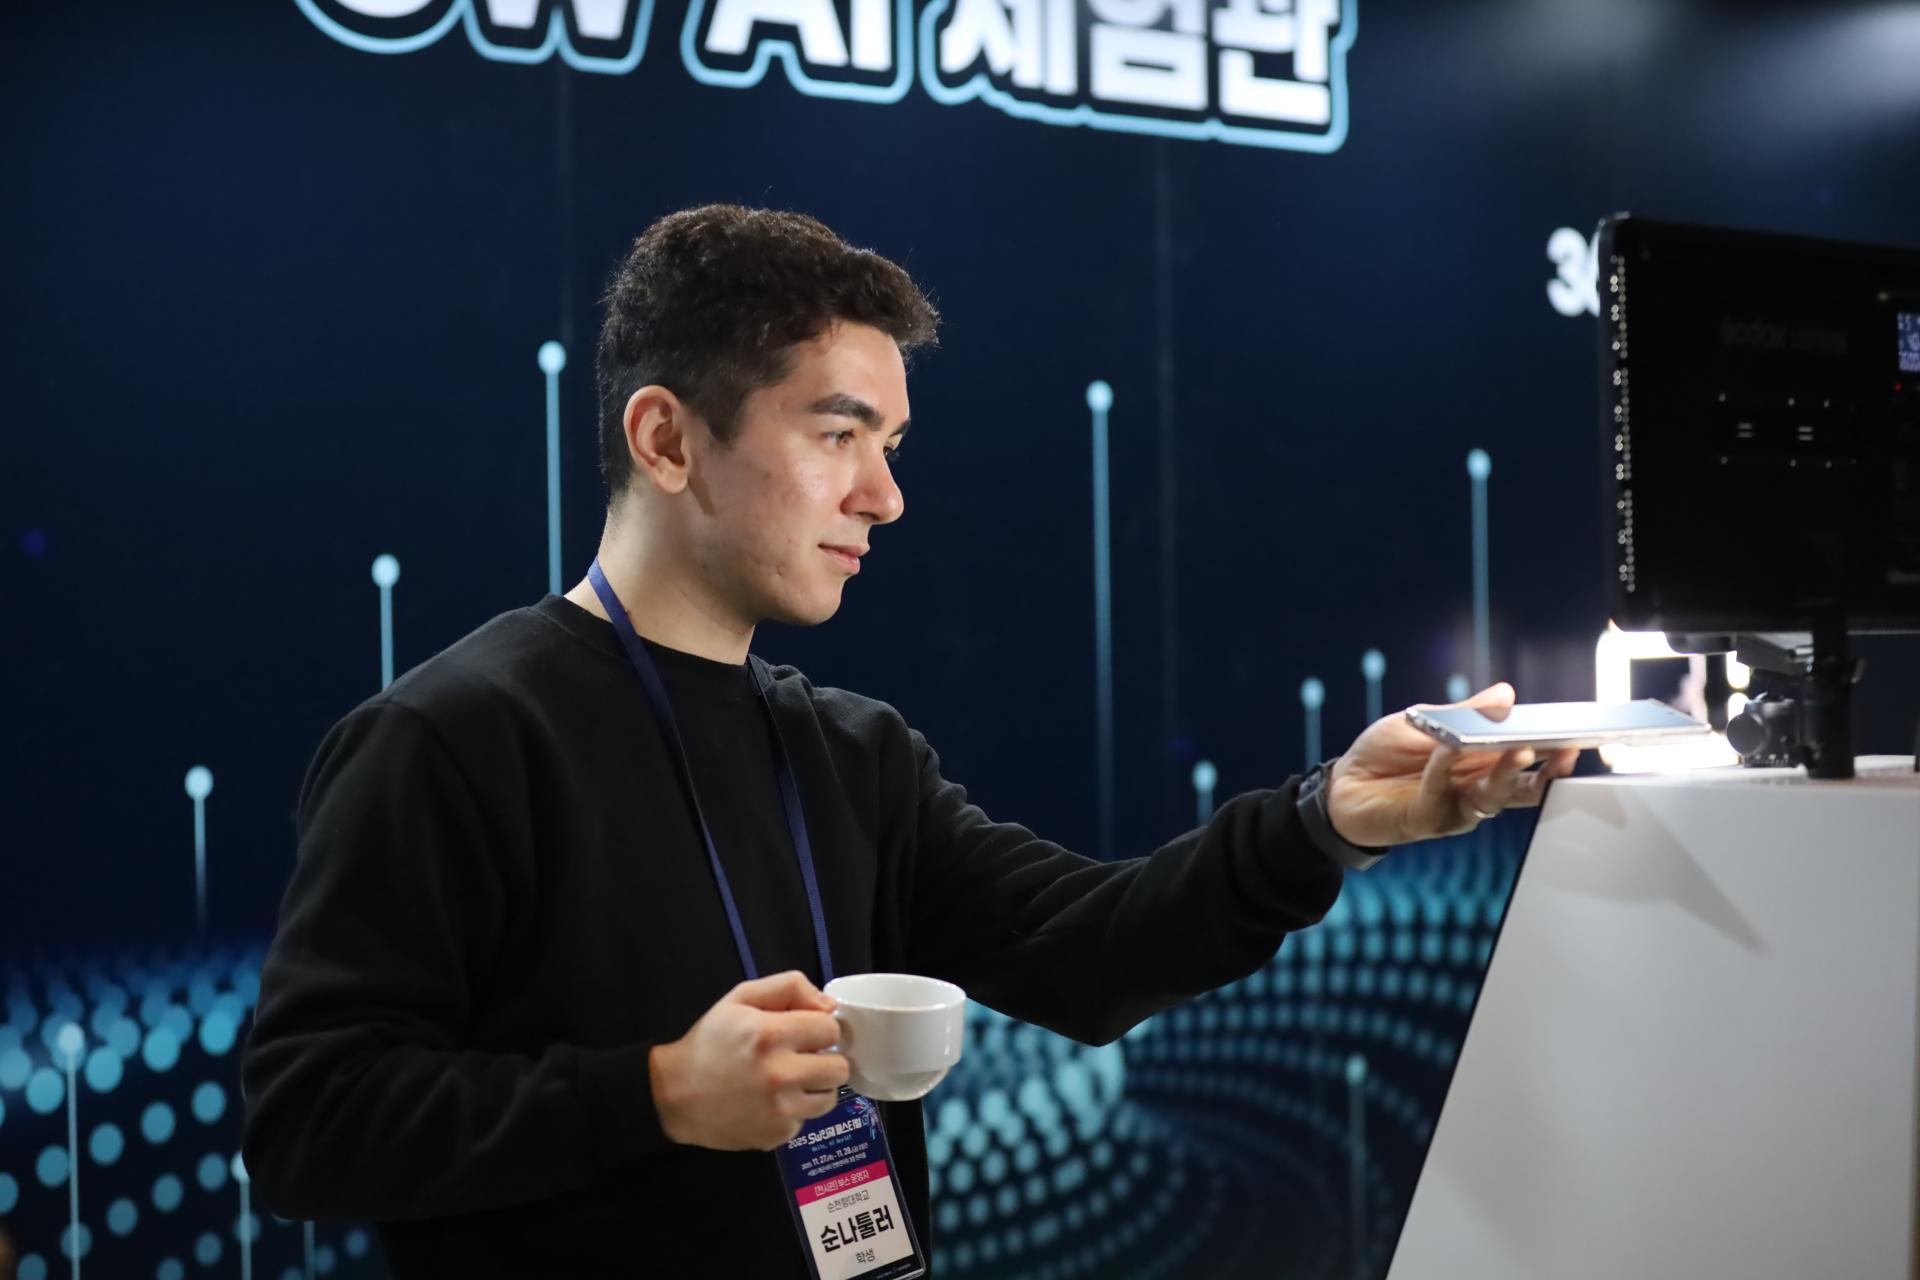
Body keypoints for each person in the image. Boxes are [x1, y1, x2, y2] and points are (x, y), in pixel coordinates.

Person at [240, 204, 1576, 1277]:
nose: (883, 496)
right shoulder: (451, 739)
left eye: (890, 442)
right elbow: (308, 1123)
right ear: (666, 440)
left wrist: (1326, 820)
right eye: (838, 435)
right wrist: (657, 1092)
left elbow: (1091, 949)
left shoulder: (852, 754)